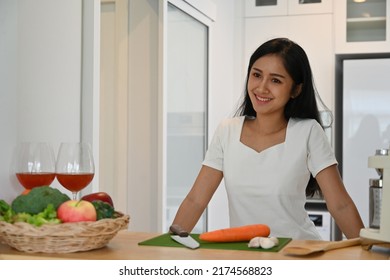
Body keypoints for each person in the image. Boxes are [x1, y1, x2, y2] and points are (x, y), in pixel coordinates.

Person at [170, 38, 364, 240]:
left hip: (299, 253)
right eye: (256, 75)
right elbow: (195, 200)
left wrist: (369, 257)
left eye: (276, 80)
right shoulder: (227, 131)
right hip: (248, 257)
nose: (261, 88)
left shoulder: (308, 131)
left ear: (296, 89)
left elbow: (340, 205)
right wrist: (166, 247)